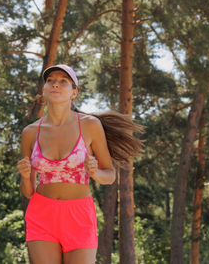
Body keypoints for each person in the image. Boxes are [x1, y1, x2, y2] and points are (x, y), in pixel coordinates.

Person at [17, 64, 143, 264]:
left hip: (79, 216)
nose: (55, 85)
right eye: (50, 81)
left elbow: (110, 175)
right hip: (42, 214)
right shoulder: (30, 132)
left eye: (63, 82)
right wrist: (25, 177)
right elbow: (29, 191)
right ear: (43, 89)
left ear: (74, 92)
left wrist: (95, 173)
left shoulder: (90, 125)